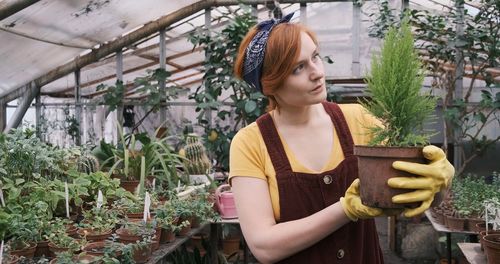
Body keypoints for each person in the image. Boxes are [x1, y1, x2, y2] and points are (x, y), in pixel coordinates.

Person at [229, 13, 454, 264]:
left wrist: (439, 183)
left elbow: (409, 192)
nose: (316, 73)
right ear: (270, 85)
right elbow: (264, 247)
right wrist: (344, 209)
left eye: (315, 56)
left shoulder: (359, 119)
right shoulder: (250, 143)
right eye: (298, 68)